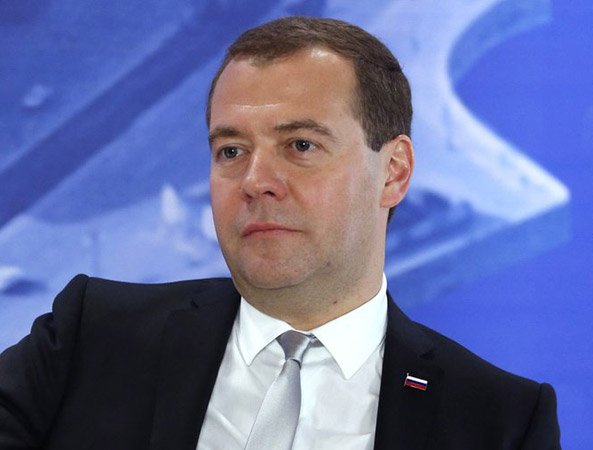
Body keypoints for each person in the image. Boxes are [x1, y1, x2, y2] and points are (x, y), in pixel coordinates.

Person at [0, 16, 560, 450]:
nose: (254, 182)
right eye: (231, 151)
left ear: (393, 172)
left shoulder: (500, 421)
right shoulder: (90, 338)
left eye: (300, 145)